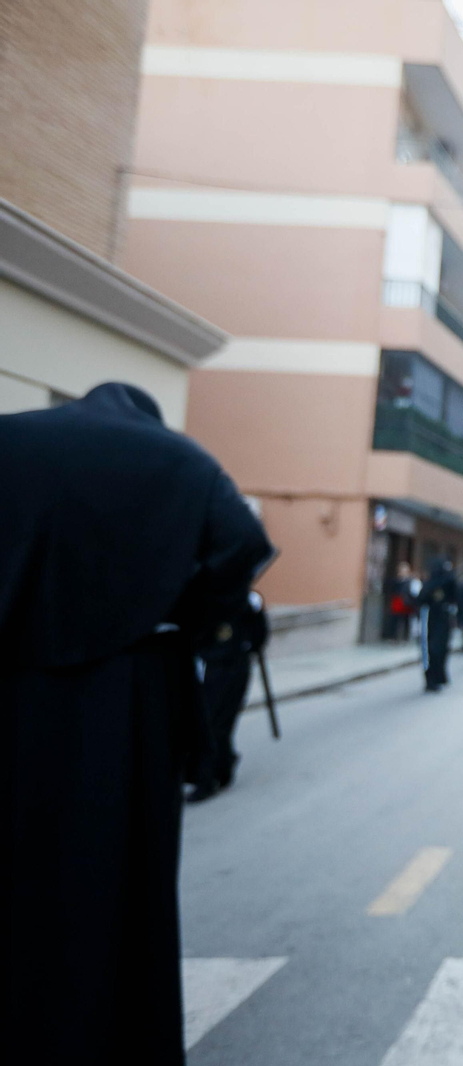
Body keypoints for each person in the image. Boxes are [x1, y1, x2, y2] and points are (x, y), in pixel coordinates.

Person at [0, 383, 274, 1064]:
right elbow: (243, 545)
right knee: (120, 873)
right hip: (128, 691)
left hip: (10, 679)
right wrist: (180, 601)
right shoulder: (178, 459)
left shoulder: (13, 439)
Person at [188, 590, 270, 803]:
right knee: (206, 724)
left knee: (219, 723)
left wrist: (248, 642)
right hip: (206, 667)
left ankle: (206, 780)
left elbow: (259, 637)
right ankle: (224, 766)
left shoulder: (248, 601)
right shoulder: (205, 597)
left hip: (233, 669)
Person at [418, 558, 458, 692]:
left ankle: (440, 676)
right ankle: (431, 679)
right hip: (431, 619)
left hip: (445, 619)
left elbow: (456, 596)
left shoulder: (449, 582)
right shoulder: (430, 583)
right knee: (432, 649)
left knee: (443, 649)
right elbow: (422, 597)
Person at [383, 561, 417, 641]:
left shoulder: (410, 581)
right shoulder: (396, 580)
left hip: (406, 602)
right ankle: (393, 637)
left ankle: (405, 637)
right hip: (397, 601)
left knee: (405, 620)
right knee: (395, 619)